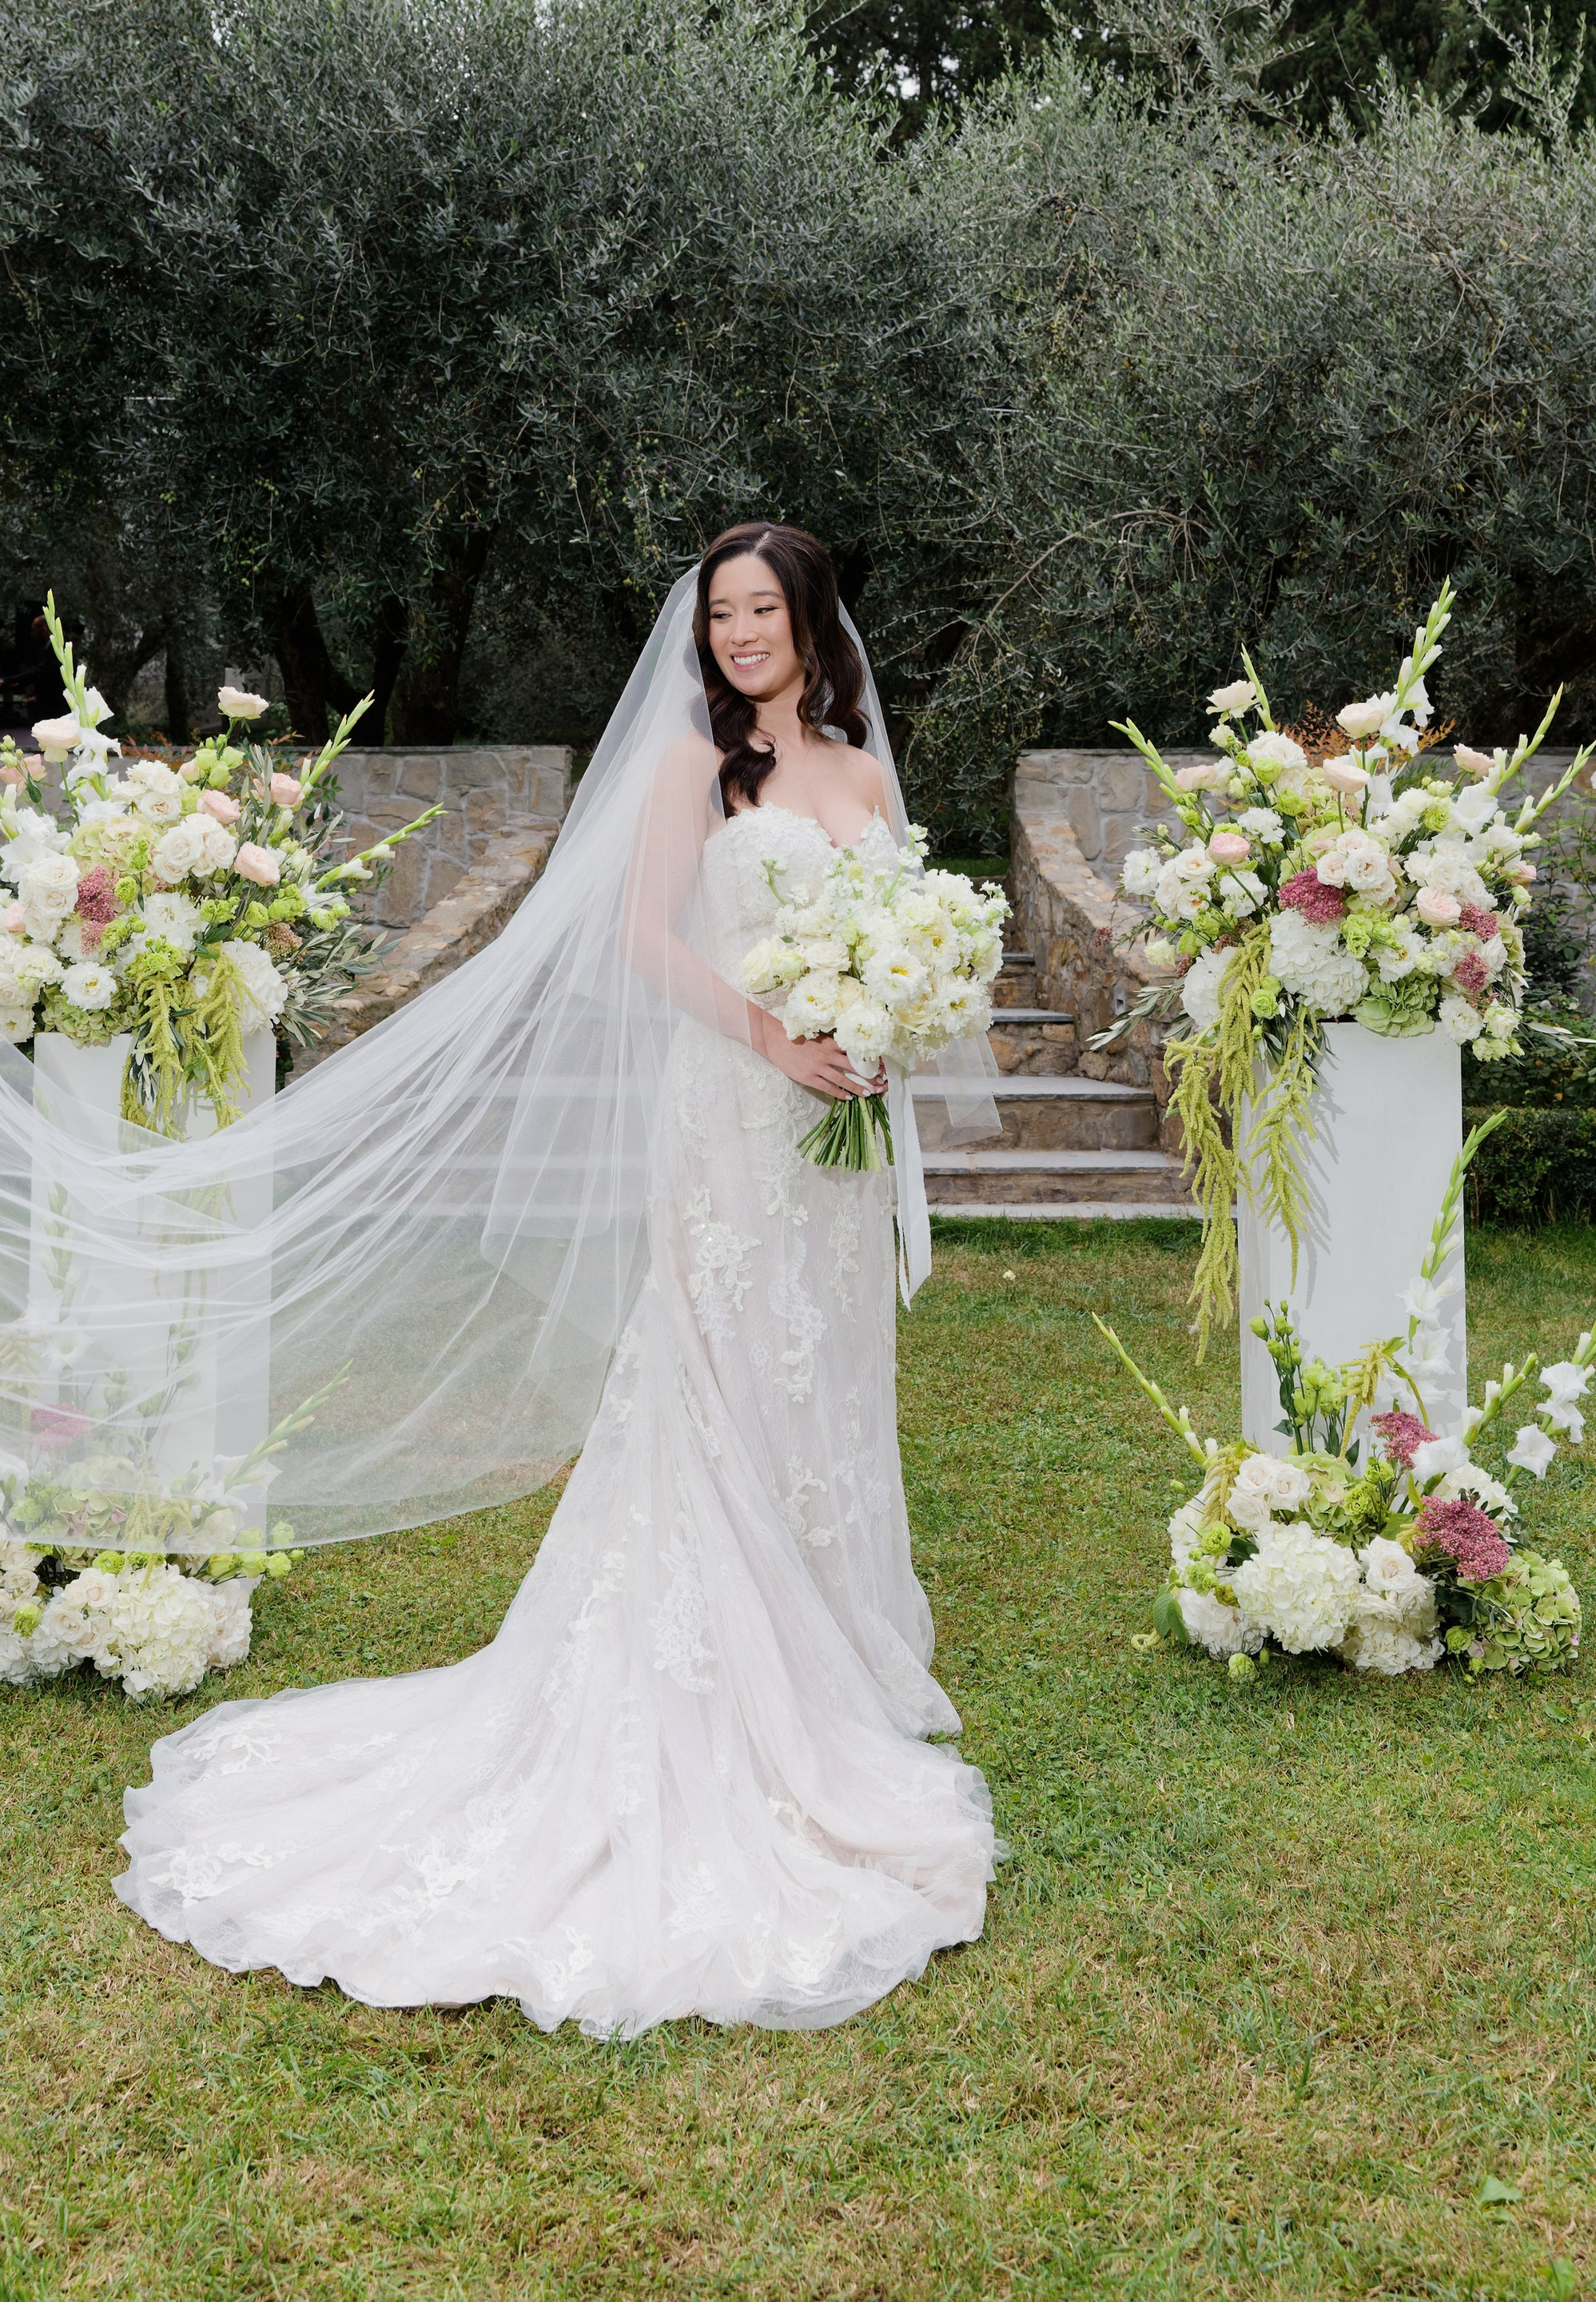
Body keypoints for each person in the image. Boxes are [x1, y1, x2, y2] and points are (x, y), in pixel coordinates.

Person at [113, 522, 999, 2032]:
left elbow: (910, 942)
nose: (738, 634)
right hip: (730, 1115)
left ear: (812, 620)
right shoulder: (689, 774)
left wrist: (886, 1022)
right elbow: (650, 944)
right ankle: (722, 1678)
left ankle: (831, 1658)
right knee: (714, 1383)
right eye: (720, 613)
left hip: (833, 1138)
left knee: (824, 1378)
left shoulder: (857, 769)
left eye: (763, 609)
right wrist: (776, 1035)